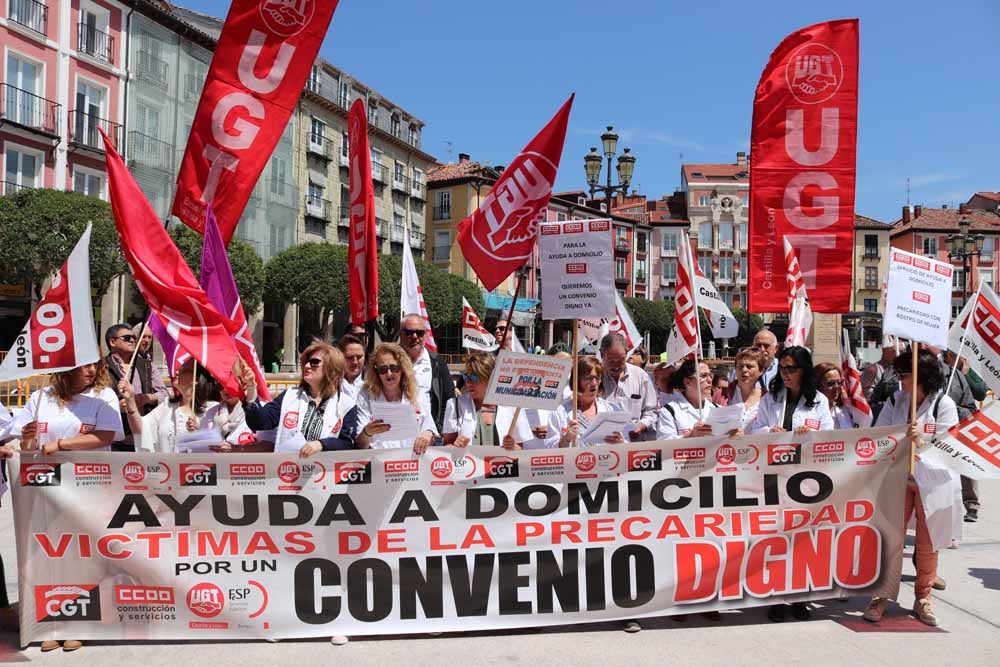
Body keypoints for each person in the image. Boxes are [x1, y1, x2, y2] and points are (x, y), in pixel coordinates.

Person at [10, 361, 124, 653]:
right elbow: (27, 443)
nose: (90, 371)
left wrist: (61, 444)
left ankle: (82, 623)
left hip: (90, 489)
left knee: (84, 555)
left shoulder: (104, 396)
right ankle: (52, 622)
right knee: (49, 554)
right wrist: (27, 438)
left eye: (94, 365)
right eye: (82, 366)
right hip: (46, 489)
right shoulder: (40, 397)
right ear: (65, 368)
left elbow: (105, 436)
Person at [864, 348, 960, 627]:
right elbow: (879, 434)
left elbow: (950, 448)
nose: (900, 381)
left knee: (927, 543)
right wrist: (900, 439)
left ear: (923, 377)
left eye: (904, 375)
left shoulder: (944, 405)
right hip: (898, 480)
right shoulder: (896, 400)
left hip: (932, 483)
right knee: (891, 539)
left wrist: (922, 442)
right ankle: (881, 595)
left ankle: (923, 597)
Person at [746, 346, 832, 623]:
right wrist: (768, 431)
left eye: (791, 369)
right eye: (782, 368)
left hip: (805, 480)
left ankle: (799, 598)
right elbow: (752, 431)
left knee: (802, 540)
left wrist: (811, 435)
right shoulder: (772, 399)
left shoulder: (819, 401)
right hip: (774, 478)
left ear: (803, 370)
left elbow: (830, 438)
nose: (785, 374)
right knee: (776, 538)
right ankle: (776, 596)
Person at [241, 342, 357, 458]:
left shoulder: (346, 404)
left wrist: (322, 444)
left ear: (331, 368)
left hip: (324, 472)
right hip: (288, 470)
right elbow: (259, 422)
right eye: (306, 362)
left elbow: (348, 444)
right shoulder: (290, 396)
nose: (307, 366)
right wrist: (251, 387)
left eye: (314, 362)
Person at [120, 359, 229, 453]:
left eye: (184, 370)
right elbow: (141, 430)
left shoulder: (214, 410)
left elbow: (220, 447)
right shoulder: (167, 405)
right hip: (166, 472)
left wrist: (199, 433)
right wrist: (130, 401)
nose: (177, 372)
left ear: (196, 380)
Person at [349, 343, 437, 453]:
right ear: (376, 371)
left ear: (402, 368)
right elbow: (360, 445)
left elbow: (431, 431)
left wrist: (427, 434)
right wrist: (367, 432)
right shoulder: (365, 395)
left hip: (413, 462)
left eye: (394, 368)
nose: (389, 374)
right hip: (379, 463)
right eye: (383, 369)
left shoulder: (416, 393)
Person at [442, 353, 530, 449]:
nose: (468, 382)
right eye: (466, 377)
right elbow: (446, 446)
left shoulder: (512, 406)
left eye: (474, 378)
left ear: (490, 379)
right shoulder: (455, 405)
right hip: (469, 464)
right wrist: (455, 446)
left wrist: (512, 446)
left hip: (501, 463)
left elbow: (521, 450)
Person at [104, 323, 168, 450]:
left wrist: (146, 398)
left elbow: (164, 393)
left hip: (143, 437)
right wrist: (116, 407)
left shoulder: (147, 365)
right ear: (112, 342)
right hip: (114, 438)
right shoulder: (101, 367)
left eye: (134, 337)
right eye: (127, 338)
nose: (133, 340)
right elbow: (94, 397)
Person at [942, 350, 987, 523]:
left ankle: (972, 505)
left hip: (963, 421)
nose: (963, 356)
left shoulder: (969, 371)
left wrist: (965, 375)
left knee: (966, 464)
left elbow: (981, 392)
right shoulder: (941, 370)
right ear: (950, 356)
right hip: (941, 423)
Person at [546, 357, 625, 448]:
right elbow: (549, 448)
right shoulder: (560, 412)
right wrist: (566, 439)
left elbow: (626, 444)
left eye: (597, 378)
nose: (594, 383)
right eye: (589, 378)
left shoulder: (611, 410)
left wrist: (621, 443)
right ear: (577, 381)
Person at [399, 313, 455, 434]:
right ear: (401, 334)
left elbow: (449, 399)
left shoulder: (437, 362)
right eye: (409, 332)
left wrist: (437, 429)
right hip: (396, 435)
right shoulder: (389, 360)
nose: (414, 337)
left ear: (425, 335)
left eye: (419, 333)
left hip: (428, 436)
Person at [599, 333, 658, 440]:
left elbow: (652, 411)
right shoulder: (594, 377)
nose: (616, 366)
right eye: (611, 361)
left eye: (620, 360)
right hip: (601, 444)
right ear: (602, 354)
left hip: (633, 445)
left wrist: (642, 425)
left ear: (627, 353)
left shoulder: (641, 376)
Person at [656, 359, 716, 439]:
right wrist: (690, 435)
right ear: (687, 382)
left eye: (710, 375)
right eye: (703, 376)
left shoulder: (718, 409)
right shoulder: (670, 411)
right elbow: (663, 444)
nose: (710, 380)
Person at [815, 362, 871, 429]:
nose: (837, 387)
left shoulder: (845, 410)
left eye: (839, 382)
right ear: (817, 385)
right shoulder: (809, 411)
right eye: (831, 383)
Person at [728, 347, 765, 430]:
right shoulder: (724, 394)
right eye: (740, 366)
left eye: (749, 366)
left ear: (761, 370)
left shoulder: (768, 399)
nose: (744, 370)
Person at [338, 333, 366, 401]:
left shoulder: (373, 384)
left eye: (359, 357)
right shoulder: (332, 385)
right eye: (350, 357)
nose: (355, 362)